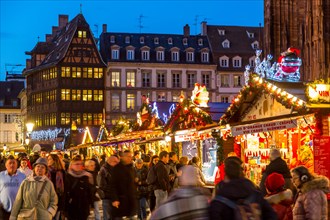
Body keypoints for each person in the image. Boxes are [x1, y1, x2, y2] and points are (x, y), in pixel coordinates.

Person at [209, 156, 277, 220]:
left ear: (225, 173)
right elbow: (271, 215)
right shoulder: (254, 192)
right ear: (241, 172)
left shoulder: (219, 199)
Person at [109, 150, 137, 219]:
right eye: (128, 156)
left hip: (131, 201)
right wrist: (115, 199)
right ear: (122, 157)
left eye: (130, 156)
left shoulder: (131, 168)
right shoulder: (117, 169)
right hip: (121, 201)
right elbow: (113, 185)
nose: (130, 158)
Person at [64, 155, 93, 220]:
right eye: (76, 164)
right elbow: (65, 192)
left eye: (80, 164)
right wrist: (64, 208)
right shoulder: (67, 176)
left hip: (83, 206)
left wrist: (91, 203)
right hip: (71, 206)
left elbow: (89, 191)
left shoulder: (86, 176)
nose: (79, 165)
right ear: (71, 165)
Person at [98, 155, 119, 220]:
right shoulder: (104, 170)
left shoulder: (114, 169)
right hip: (107, 197)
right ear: (110, 161)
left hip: (115, 197)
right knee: (107, 216)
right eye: (116, 162)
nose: (117, 163)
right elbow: (102, 185)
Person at [47, 154, 66, 220]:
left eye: (49, 159)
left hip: (58, 198)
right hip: (48, 198)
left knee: (56, 217)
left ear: (54, 161)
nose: (48, 161)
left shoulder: (61, 172)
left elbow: (65, 187)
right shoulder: (46, 171)